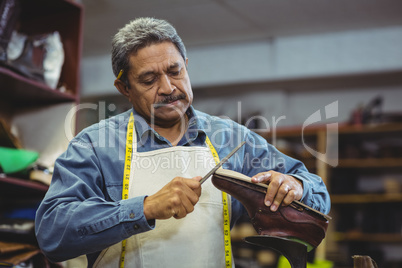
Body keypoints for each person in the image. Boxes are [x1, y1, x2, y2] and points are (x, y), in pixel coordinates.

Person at [35, 17, 330, 268]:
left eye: (175, 71)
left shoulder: (231, 138)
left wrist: (296, 187)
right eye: (149, 80)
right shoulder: (96, 144)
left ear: (186, 66)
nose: (167, 88)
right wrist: (146, 208)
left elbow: (317, 194)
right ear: (124, 88)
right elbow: (52, 232)